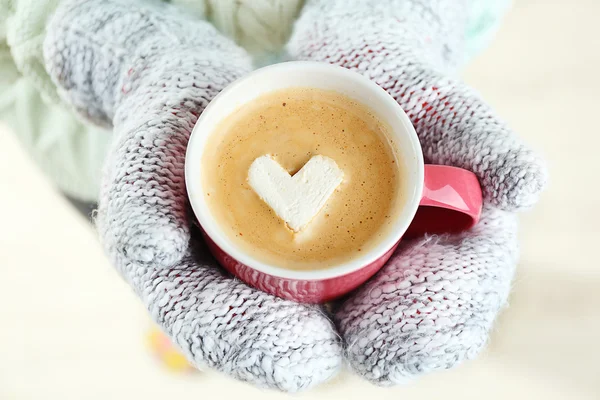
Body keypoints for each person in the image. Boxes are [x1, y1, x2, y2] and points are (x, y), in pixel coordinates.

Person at [0, 0, 546, 392]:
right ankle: (161, 309)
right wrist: (93, 33)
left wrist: (400, 15)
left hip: (389, 77)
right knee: (143, 246)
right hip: (115, 147)